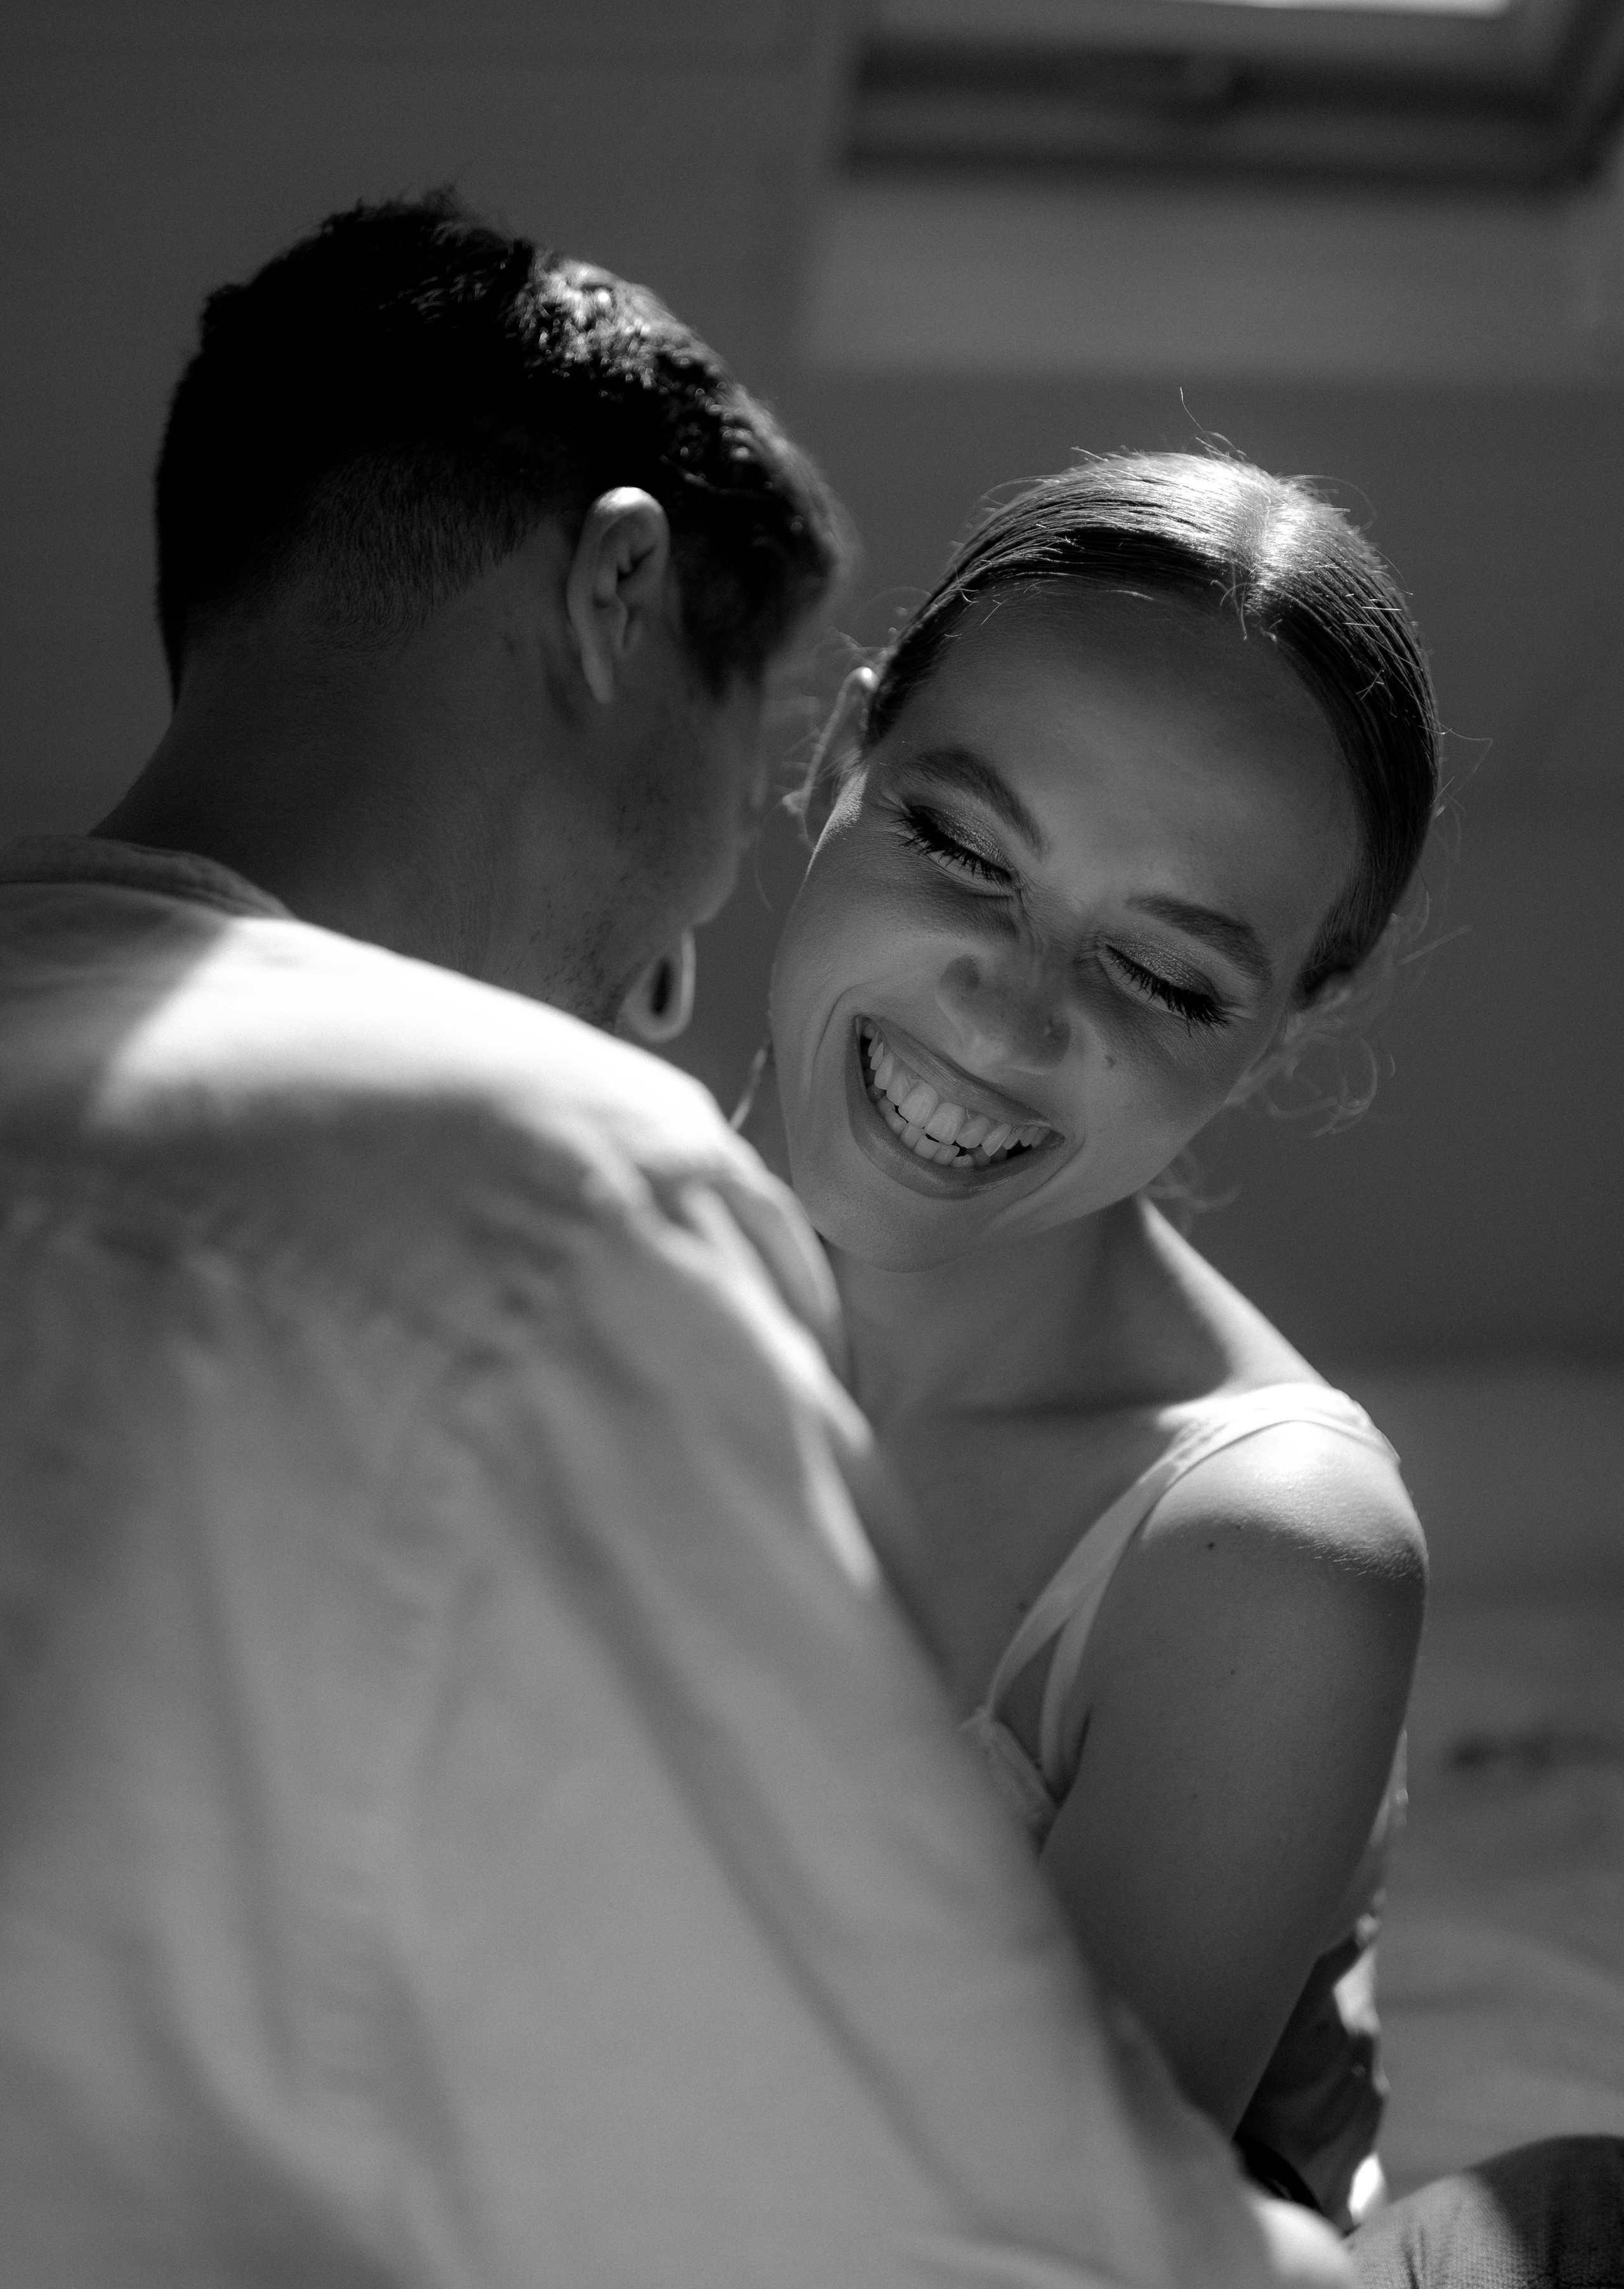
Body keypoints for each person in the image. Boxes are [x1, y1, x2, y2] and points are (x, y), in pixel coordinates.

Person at [0, 198, 1347, 2287]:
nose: (681, 966)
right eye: (774, 764)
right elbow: (1000, 2238)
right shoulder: (557, 1197)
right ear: (619, 597)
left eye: (1169, 975)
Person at [742, 451, 1438, 2229]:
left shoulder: (1267, 1555)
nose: (1010, 1014)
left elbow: (1013, 2251)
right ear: (840, 758)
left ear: (1281, 1031)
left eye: (1169, 978)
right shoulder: (541, 1237)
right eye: (962, 850)